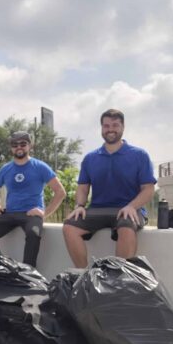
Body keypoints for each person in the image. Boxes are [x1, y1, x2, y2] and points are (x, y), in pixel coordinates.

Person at [63, 108, 156, 268]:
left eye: (115, 125)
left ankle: (119, 280)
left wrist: (131, 206)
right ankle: (84, 276)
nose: (110, 129)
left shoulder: (139, 155)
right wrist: (79, 206)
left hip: (129, 210)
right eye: (106, 126)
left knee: (126, 226)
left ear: (123, 127)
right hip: (98, 209)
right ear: (101, 128)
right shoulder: (90, 158)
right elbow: (83, 188)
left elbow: (148, 189)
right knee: (69, 226)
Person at [0, 131, 66, 268]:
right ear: (11, 148)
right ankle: (2, 268)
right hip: (10, 213)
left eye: (23, 144)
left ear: (30, 146)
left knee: (33, 234)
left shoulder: (40, 166)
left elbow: (60, 192)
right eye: (14, 144)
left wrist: (44, 213)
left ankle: (28, 272)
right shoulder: (5, 169)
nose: (19, 147)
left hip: (31, 214)